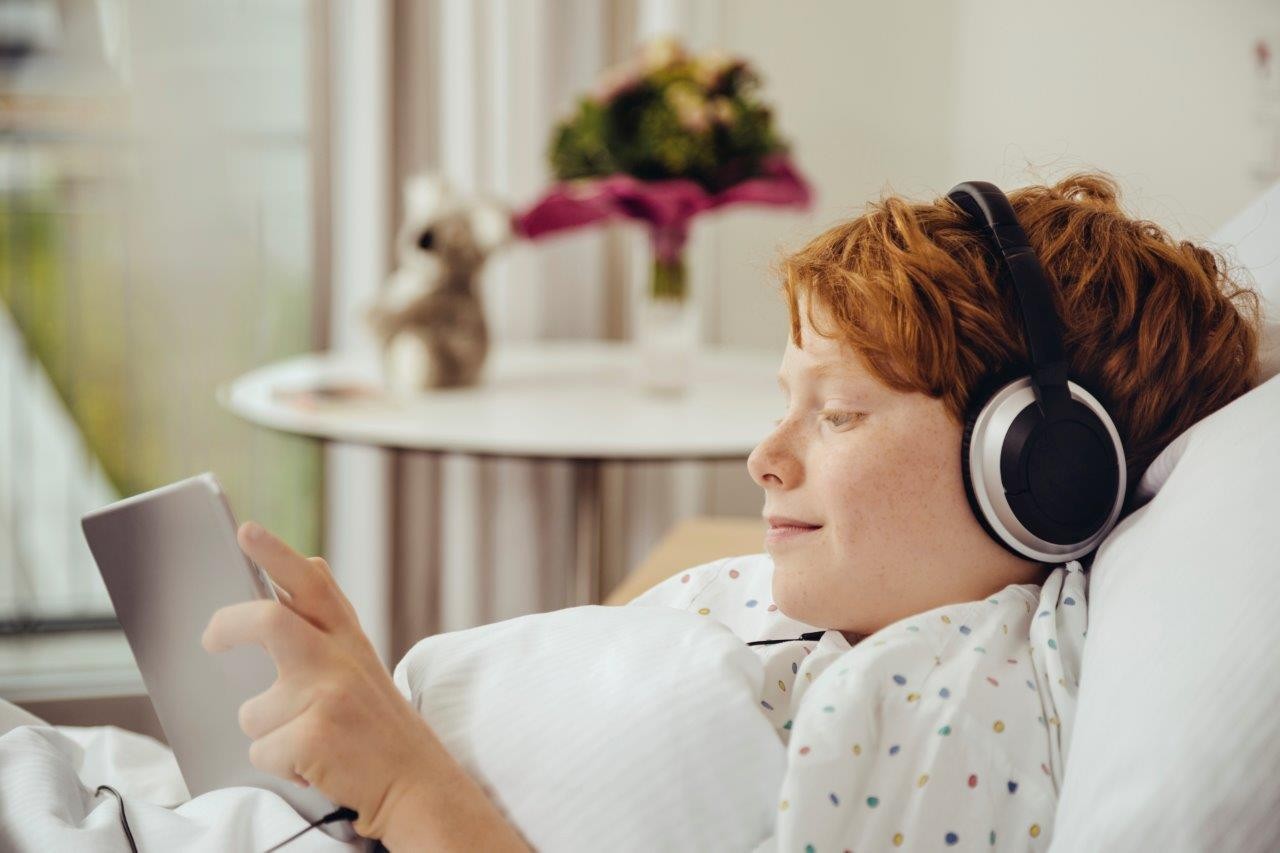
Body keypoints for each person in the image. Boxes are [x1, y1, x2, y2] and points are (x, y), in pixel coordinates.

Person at [202, 172, 1261, 850]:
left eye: (838, 413)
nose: (764, 458)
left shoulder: (950, 709)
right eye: (784, 402)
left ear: (1039, 473)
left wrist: (404, 790)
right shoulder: (843, 612)